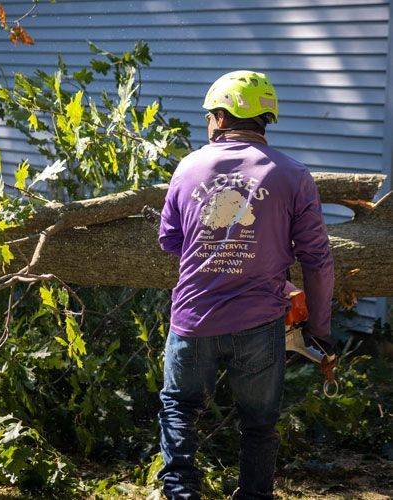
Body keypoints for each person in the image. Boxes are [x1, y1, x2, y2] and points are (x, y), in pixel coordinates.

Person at [156, 70, 335, 499]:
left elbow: (170, 241)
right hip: (259, 324)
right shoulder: (293, 175)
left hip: (194, 319)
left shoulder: (188, 168)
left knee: (179, 409)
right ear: (264, 119)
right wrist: (321, 330)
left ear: (220, 116)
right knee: (258, 424)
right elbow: (317, 258)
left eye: (209, 116)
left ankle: (182, 495)